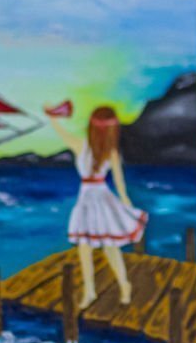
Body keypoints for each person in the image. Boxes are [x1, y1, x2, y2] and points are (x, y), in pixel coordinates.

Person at [46, 104, 145, 310]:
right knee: (87, 246)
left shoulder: (100, 150)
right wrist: (125, 201)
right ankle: (90, 291)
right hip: (88, 199)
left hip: (99, 199)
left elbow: (119, 182)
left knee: (108, 245)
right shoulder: (87, 147)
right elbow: (119, 183)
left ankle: (124, 284)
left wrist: (52, 117)